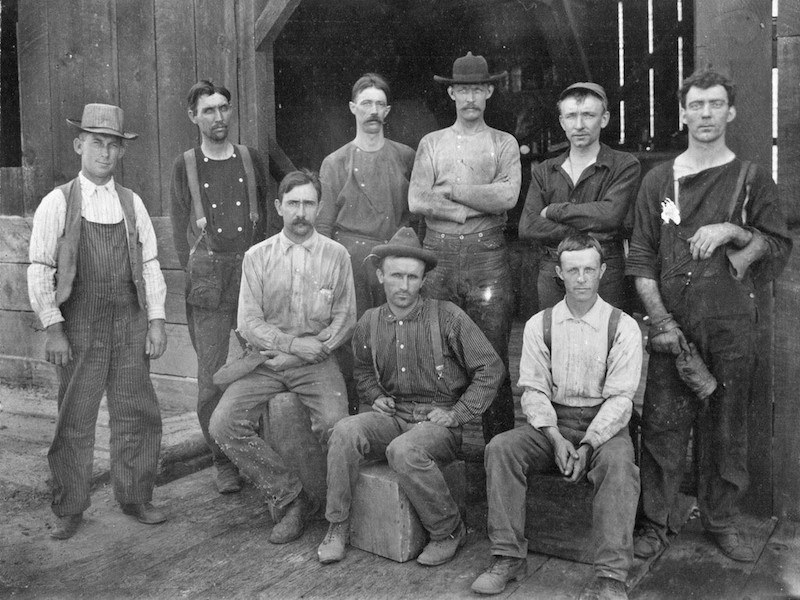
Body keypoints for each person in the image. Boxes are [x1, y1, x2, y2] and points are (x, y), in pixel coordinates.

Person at [626, 69, 792, 562]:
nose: (704, 114)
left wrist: (734, 232)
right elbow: (641, 258)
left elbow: (779, 246)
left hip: (731, 326)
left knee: (727, 425)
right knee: (661, 425)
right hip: (673, 326)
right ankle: (654, 524)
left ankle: (721, 520)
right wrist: (662, 322)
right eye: (696, 105)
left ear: (731, 112)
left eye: (715, 105)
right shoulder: (660, 179)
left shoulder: (751, 177)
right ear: (682, 112)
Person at [316, 227, 504, 566]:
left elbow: (490, 368)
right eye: (396, 276)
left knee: (404, 451)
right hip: (392, 417)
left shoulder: (447, 316)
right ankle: (338, 526)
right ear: (379, 276)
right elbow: (362, 370)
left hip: (437, 424)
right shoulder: (369, 322)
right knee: (344, 431)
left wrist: (457, 414)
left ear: (423, 279)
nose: (404, 286)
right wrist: (374, 394)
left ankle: (448, 531)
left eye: (412, 277)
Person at [473, 234, 642, 600]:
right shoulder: (540, 325)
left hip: (605, 426)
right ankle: (508, 557)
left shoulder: (623, 327)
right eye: (573, 270)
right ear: (559, 273)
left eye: (589, 270)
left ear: (603, 272)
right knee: (501, 448)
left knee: (619, 464)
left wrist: (587, 445)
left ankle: (611, 577)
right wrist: (555, 438)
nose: (581, 278)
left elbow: (620, 400)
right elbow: (533, 391)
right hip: (553, 423)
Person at [28, 103, 169, 539]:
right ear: (79, 145)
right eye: (96, 144)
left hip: (129, 323)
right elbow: (38, 266)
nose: (105, 154)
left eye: (113, 146)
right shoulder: (59, 201)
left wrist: (157, 321)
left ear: (122, 153)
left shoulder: (132, 203)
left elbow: (149, 263)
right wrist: (53, 326)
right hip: (79, 325)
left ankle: (135, 496)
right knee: (75, 417)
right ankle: (70, 506)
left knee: (137, 412)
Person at [209, 169, 356, 545]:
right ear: (278, 207)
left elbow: (344, 320)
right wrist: (290, 348)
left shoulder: (336, 256)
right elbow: (249, 322)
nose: (301, 212)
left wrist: (306, 352)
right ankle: (291, 498)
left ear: (319, 207)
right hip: (267, 360)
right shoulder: (258, 257)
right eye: (293, 204)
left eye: (308, 203)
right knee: (223, 423)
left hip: (316, 360)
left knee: (337, 424)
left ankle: (337, 511)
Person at [408, 51, 521, 442]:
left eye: (478, 90)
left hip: (488, 256)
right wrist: (467, 211)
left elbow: (507, 197)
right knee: (435, 351)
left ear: (489, 91)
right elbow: (417, 201)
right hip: (438, 255)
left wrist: (453, 191)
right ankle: (439, 449)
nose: (470, 98)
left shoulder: (503, 143)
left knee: (492, 354)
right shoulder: (432, 143)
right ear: (452, 94)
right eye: (463, 90)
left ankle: (499, 451)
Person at [170, 80, 276, 494]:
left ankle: (259, 451)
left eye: (224, 108)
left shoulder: (251, 159)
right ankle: (224, 461)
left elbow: (266, 222)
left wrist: (261, 276)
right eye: (208, 110)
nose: (218, 117)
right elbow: (181, 236)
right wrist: (202, 275)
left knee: (262, 365)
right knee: (212, 375)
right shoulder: (186, 165)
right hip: (210, 283)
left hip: (251, 277)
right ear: (193, 116)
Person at [518, 82, 640, 313]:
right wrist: (586, 230)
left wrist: (554, 211)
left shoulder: (623, 165)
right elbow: (528, 226)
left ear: (604, 119)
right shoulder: (545, 170)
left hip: (604, 271)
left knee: (606, 341)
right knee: (554, 341)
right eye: (571, 116)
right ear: (562, 122)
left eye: (588, 115)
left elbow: (611, 216)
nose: (580, 125)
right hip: (554, 270)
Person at [317, 72, 417, 319]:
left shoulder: (405, 156)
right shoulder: (335, 162)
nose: (373, 111)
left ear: (388, 110)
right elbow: (322, 226)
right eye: (366, 104)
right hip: (351, 264)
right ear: (353, 108)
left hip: (394, 260)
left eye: (380, 104)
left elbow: (418, 216)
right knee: (354, 335)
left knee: (396, 332)